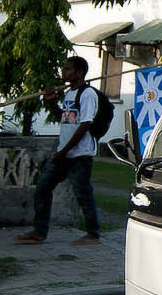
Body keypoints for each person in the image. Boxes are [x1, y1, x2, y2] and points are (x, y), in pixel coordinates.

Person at [16, 56, 102, 246]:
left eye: (68, 69)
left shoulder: (87, 94)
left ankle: (93, 234)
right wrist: (51, 102)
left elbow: (85, 125)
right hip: (64, 154)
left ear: (79, 73)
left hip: (79, 156)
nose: (64, 72)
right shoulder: (69, 93)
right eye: (64, 68)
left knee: (83, 194)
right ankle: (39, 232)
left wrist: (64, 151)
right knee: (43, 188)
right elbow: (64, 118)